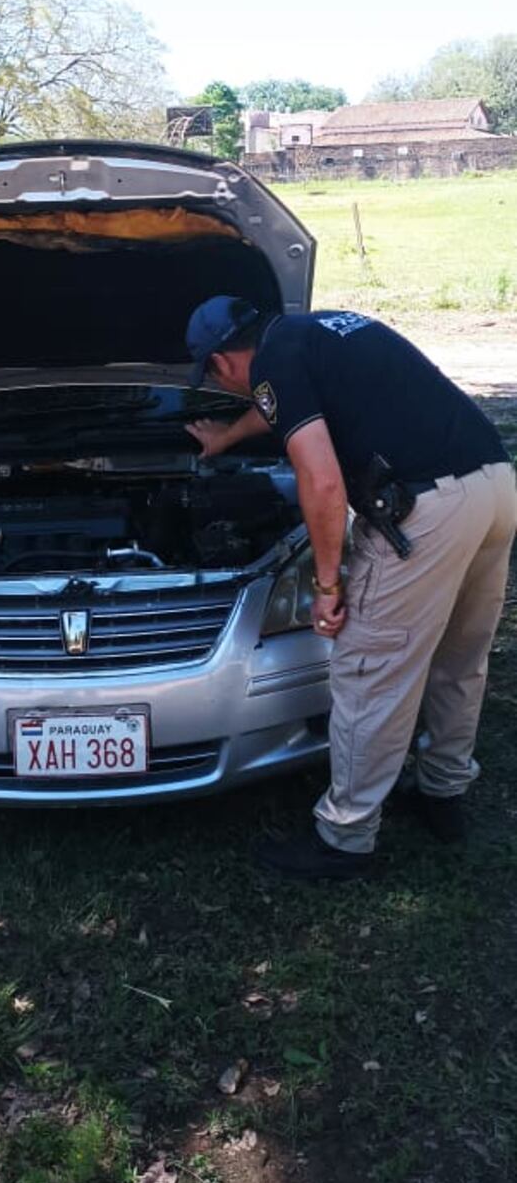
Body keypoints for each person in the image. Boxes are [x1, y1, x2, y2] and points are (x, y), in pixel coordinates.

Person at [184, 295, 517, 880]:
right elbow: (279, 409)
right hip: (494, 488)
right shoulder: (319, 332)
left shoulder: (273, 362)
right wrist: (227, 437)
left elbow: (322, 483)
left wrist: (328, 583)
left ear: (221, 362)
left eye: (215, 377)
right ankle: (443, 791)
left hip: (426, 514)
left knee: (369, 673)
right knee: (459, 658)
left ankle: (345, 839)